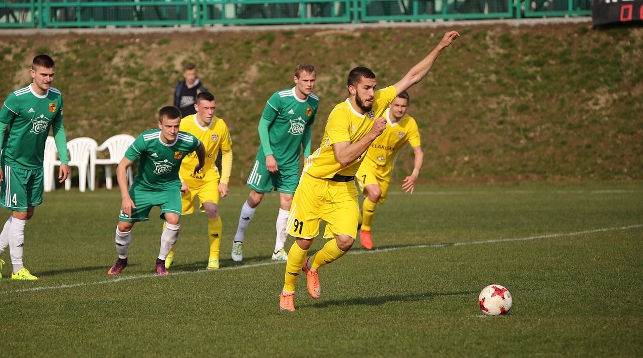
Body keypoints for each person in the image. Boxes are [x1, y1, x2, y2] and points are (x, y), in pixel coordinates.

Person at [279, 30, 460, 311]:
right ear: (352, 89)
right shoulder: (340, 114)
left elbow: (411, 77)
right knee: (304, 239)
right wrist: (373, 134)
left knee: (346, 241)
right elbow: (342, 156)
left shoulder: (377, 102)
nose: (372, 94)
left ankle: (312, 266)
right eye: (366, 88)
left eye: (374, 88)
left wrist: (440, 46)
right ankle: (287, 292)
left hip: (343, 185)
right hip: (316, 180)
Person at [231, 64, 319, 263]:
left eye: (312, 80)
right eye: (305, 80)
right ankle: (238, 239)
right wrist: (269, 155)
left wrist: (307, 155)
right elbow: (262, 125)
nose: (309, 84)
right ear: (295, 79)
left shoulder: (313, 102)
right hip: (268, 157)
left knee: (287, 201)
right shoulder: (279, 98)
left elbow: (307, 129)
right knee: (256, 197)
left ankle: (278, 249)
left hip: (291, 161)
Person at [107, 106, 205, 276]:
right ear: (160, 124)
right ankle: (122, 259)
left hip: (169, 187)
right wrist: (125, 197)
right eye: (168, 126)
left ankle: (161, 262)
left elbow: (200, 146)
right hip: (143, 187)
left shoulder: (186, 140)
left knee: (173, 220)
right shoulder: (146, 139)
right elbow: (121, 167)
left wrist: (201, 163)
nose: (173, 131)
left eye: (176, 126)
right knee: (124, 226)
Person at [0, 54, 70, 280]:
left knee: (27, 212)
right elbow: (1, 126)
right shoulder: (17, 98)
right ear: (33, 73)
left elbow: (58, 128)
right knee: (20, 212)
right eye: (44, 74)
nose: (48, 79)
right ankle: (17, 269)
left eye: (51, 75)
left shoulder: (56, 97)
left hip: (36, 164)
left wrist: (64, 160)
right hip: (13, 162)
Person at [165, 92, 233, 270]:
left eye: (213, 108)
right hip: (184, 177)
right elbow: (171, 152)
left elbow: (227, 152)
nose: (210, 112)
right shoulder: (185, 124)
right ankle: (167, 255)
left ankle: (214, 257)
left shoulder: (220, 125)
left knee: (212, 209)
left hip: (208, 177)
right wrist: (178, 178)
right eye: (206, 108)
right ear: (196, 108)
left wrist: (224, 181)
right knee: (173, 217)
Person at [356, 91, 423, 250]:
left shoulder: (409, 124)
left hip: (384, 170)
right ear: (391, 104)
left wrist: (414, 174)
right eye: (397, 105)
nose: (400, 109)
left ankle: (357, 223)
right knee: (374, 192)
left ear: (408, 107)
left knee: (372, 200)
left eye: (403, 106)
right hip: (365, 163)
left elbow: (418, 151)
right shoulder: (377, 115)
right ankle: (365, 230)